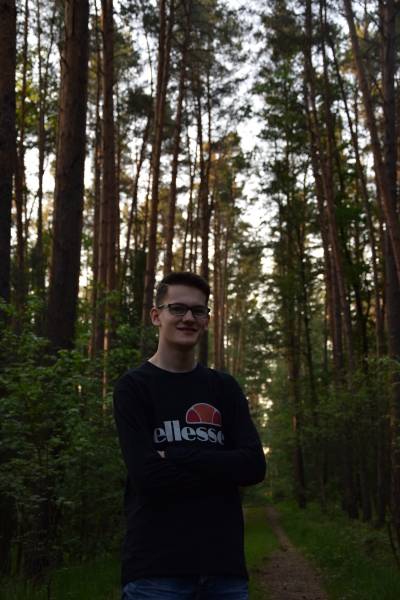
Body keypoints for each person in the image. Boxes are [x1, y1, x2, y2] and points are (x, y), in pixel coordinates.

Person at [113, 271, 266, 600]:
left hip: (224, 570)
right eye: (177, 308)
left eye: (198, 310)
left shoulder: (224, 388)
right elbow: (148, 478)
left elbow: (254, 466)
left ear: (207, 320)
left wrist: (177, 455)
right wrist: (223, 470)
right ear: (156, 316)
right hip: (155, 572)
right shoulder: (134, 387)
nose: (188, 318)